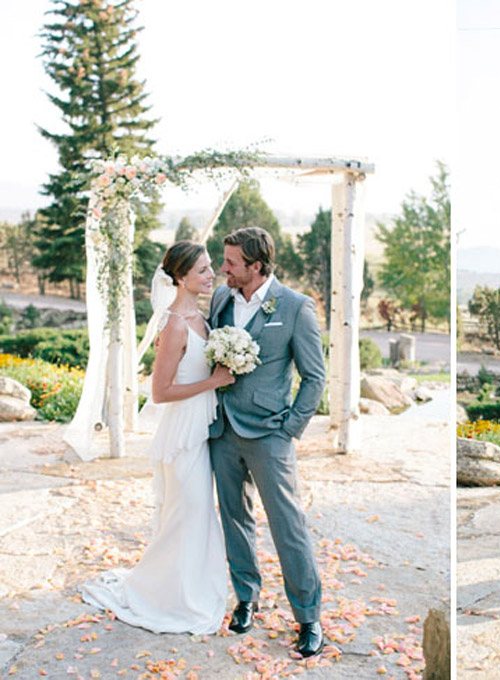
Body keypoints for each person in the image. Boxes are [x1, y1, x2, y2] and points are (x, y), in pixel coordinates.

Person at [81, 242, 235, 633]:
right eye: (202, 270)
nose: (210, 274)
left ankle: (193, 589)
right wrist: (213, 381)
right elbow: (160, 392)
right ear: (180, 278)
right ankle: (170, 597)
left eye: (210, 267)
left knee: (196, 514)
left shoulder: (201, 316)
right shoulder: (175, 323)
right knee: (187, 513)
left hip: (202, 431)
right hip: (182, 435)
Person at [208, 227, 328, 658]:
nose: (224, 268)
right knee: (234, 516)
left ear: (256, 267)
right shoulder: (222, 300)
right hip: (222, 431)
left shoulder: (295, 308)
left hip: (270, 434)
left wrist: (290, 428)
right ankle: (247, 598)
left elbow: (315, 377)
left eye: (231, 263)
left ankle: (309, 617)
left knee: (288, 525)